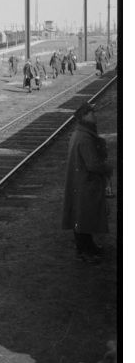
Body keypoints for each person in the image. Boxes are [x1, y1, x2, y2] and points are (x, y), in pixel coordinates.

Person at [61, 102, 113, 264]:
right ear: (84, 116)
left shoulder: (80, 134)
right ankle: (84, 251)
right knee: (83, 216)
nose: (95, 115)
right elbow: (92, 164)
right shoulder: (84, 137)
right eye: (91, 113)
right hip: (84, 182)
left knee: (82, 215)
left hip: (80, 181)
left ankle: (88, 246)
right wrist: (107, 168)